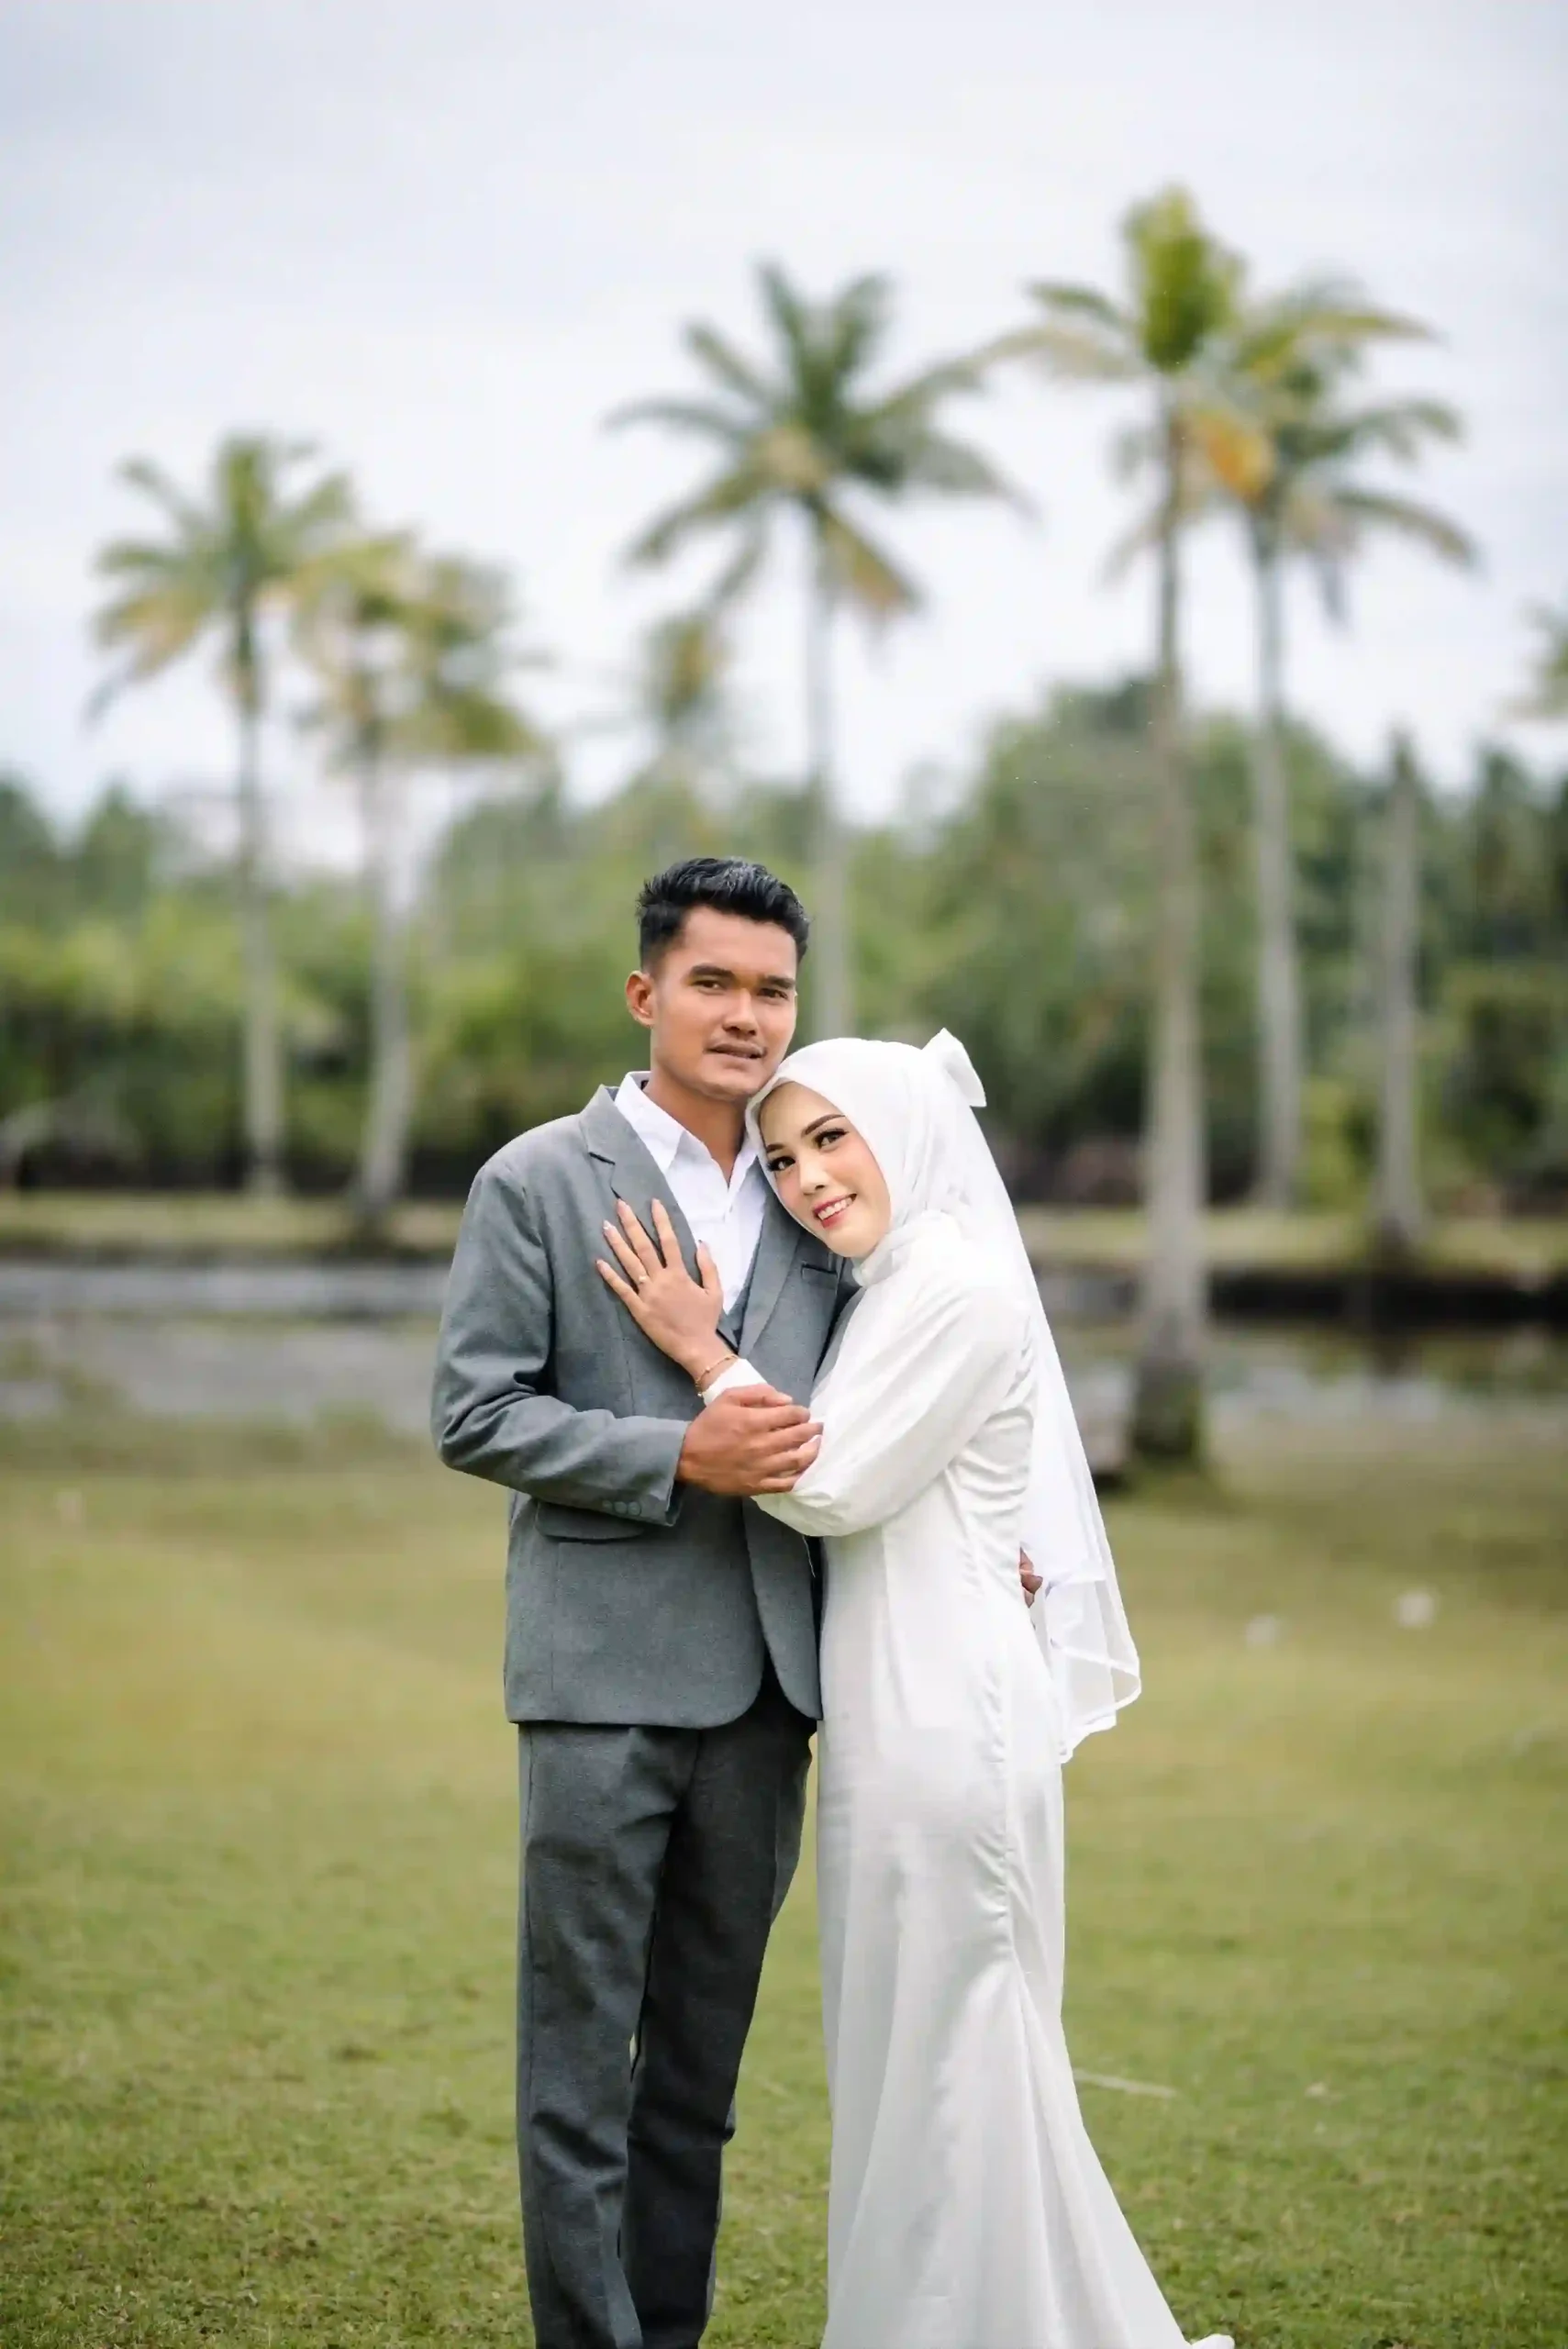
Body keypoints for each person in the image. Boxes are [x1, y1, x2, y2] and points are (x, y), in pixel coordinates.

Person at [597, 1028, 1235, 2349]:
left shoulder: (958, 1285)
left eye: (832, 1139)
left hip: (952, 1719)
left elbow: (827, 1482)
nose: (807, 1180)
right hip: (894, 1715)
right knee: (914, 2048)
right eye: (783, 1158)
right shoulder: (893, 1286)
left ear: (907, 1132)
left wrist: (703, 1351)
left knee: (958, 2046)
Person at [430, 857, 860, 2349]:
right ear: (645, 992)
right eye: (713, 982)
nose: (746, 1016)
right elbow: (475, 1413)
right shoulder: (538, 1180)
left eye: (772, 991)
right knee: (575, 2073)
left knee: (696, 2079)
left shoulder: (820, 1188)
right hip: (599, 1685)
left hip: (769, 1692)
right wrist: (675, 1453)